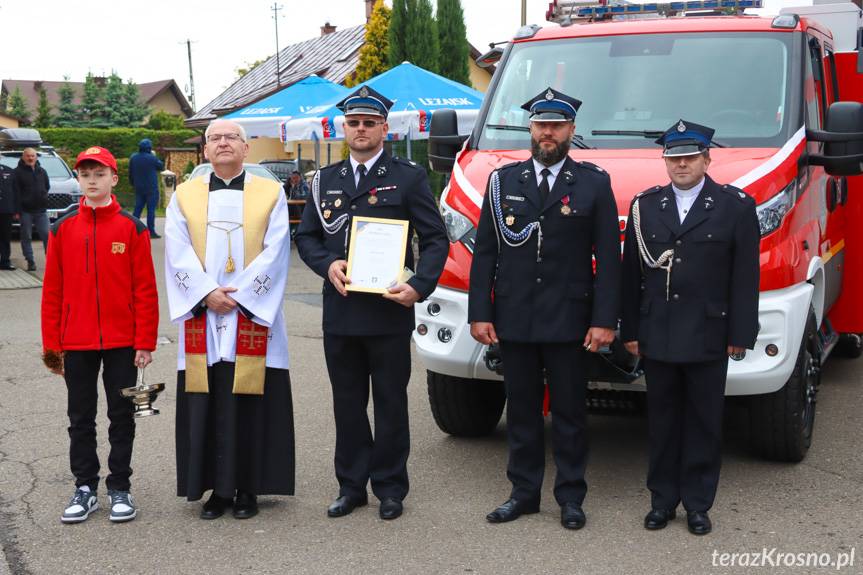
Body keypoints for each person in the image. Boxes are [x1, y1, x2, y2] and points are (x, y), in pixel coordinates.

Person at [468, 88, 621, 530]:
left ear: (571, 130)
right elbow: (486, 252)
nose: (547, 133)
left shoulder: (593, 183)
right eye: (540, 125)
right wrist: (480, 312)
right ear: (530, 129)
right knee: (521, 411)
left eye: (556, 125)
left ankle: (571, 497)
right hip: (515, 316)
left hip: (569, 319)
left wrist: (604, 320)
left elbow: (609, 258)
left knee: (570, 413)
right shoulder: (503, 182)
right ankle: (523, 493)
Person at [295, 85, 448, 521]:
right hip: (341, 312)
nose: (361, 129)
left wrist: (420, 286)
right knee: (347, 404)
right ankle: (351, 486)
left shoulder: (409, 177)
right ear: (344, 128)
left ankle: (391, 487)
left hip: (388, 312)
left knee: (390, 403)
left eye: (369, 123)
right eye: (354, 123)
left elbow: (435, 239)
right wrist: (327, 265)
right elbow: (307, 237)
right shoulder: (324, 180)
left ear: (384, 129)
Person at [620, 120, 760, 535]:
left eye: (690, 157)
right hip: (658, 331)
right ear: (665, 161)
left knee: (704, 421)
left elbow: (745, 278)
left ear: (706, 159)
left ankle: (698, 504)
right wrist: (631, 330)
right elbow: (631, 275)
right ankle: (662, 501)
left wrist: (740, 334)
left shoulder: (735, 206)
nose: (681, 164)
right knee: (661, 421)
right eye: (674, 158)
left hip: (708, 332)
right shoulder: (646, 205)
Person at [165, 119, 294, 520]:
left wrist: (240, 297)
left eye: (231, 137)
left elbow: (278, 249)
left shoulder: (271, 193)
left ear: (245, 148)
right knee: (209, 397)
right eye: (215, 138)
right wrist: (206, 293)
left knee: (250, 399)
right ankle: (217, 491)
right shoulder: (184, 195)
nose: (223, 143)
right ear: (205, 150)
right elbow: (175, 250)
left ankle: (248, 489)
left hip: (251, 312)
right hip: (204, 313)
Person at [40, 146, 159, 524]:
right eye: (85, 174)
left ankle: (120, 486)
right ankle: (85, 488)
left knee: (122, 415)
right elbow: (52, 292)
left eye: (99, 174)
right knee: (80, 417)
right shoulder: (61, 229)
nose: (92, 181)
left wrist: (145, 341)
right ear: (78, 179)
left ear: (114, 178)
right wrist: (52, 347)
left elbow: (145, 289)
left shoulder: (132, 228)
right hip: (75, 340)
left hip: (123, 340)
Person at [13, 147, 50, 271]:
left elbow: (47, 186)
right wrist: (17, 210)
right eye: (28, 156)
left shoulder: (42, 171)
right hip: (25, 211)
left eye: (32, 156)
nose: (30, 158)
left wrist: (43, 197)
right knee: (26, 237)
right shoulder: (17, 172)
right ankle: (30, 261)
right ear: (23, 157)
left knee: (47, 235)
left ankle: (51, 260)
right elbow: (15, 193)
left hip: (41, 210)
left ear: (36, 157)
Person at [130, 138, 165, 238]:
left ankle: (132, 230)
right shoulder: (152, 158)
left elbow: (130, 173)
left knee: (137, 209)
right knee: (151, 210)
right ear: (149, 148)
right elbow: (161, 167)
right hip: (151, 188)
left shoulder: (134, 158)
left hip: (139, 188)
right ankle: (151, 231)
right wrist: (154, 156)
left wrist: (133, 184)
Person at [0, 159, 16, 270]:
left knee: (5, 237)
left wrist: (16, 209)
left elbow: (16, 192)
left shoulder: (9, 171)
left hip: (6, 210)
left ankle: (5, 262)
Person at [285, 170, 309, 238]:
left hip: (302, 209)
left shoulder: (304, 186)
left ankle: (293, 233)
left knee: (289, 212)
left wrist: (294, 191)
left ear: (300, 177)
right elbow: (285, 191)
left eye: (296, 178)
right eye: (293, 178)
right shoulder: (291, 185)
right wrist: (288, 184)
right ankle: (290, 234)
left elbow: (306, 196)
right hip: (294, 208)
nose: (294, 180)